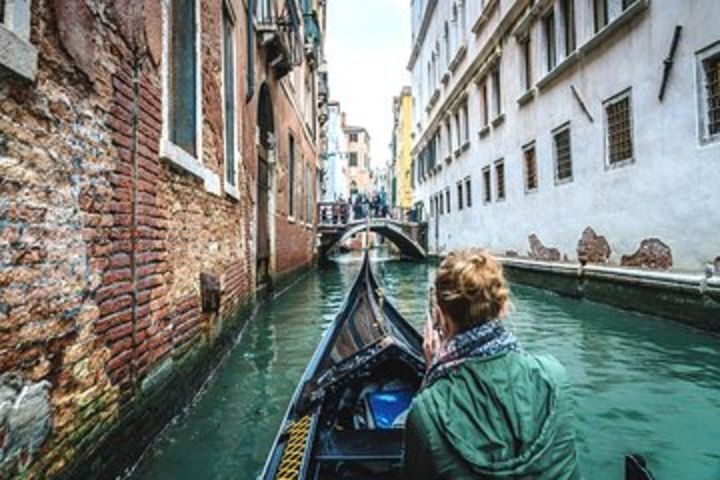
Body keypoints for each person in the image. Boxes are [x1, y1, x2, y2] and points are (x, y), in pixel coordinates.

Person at [403, 250, 581, 480]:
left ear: (440, 317)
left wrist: (433, 374)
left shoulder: (427, 411)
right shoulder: (555, 376)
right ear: (504, 307)